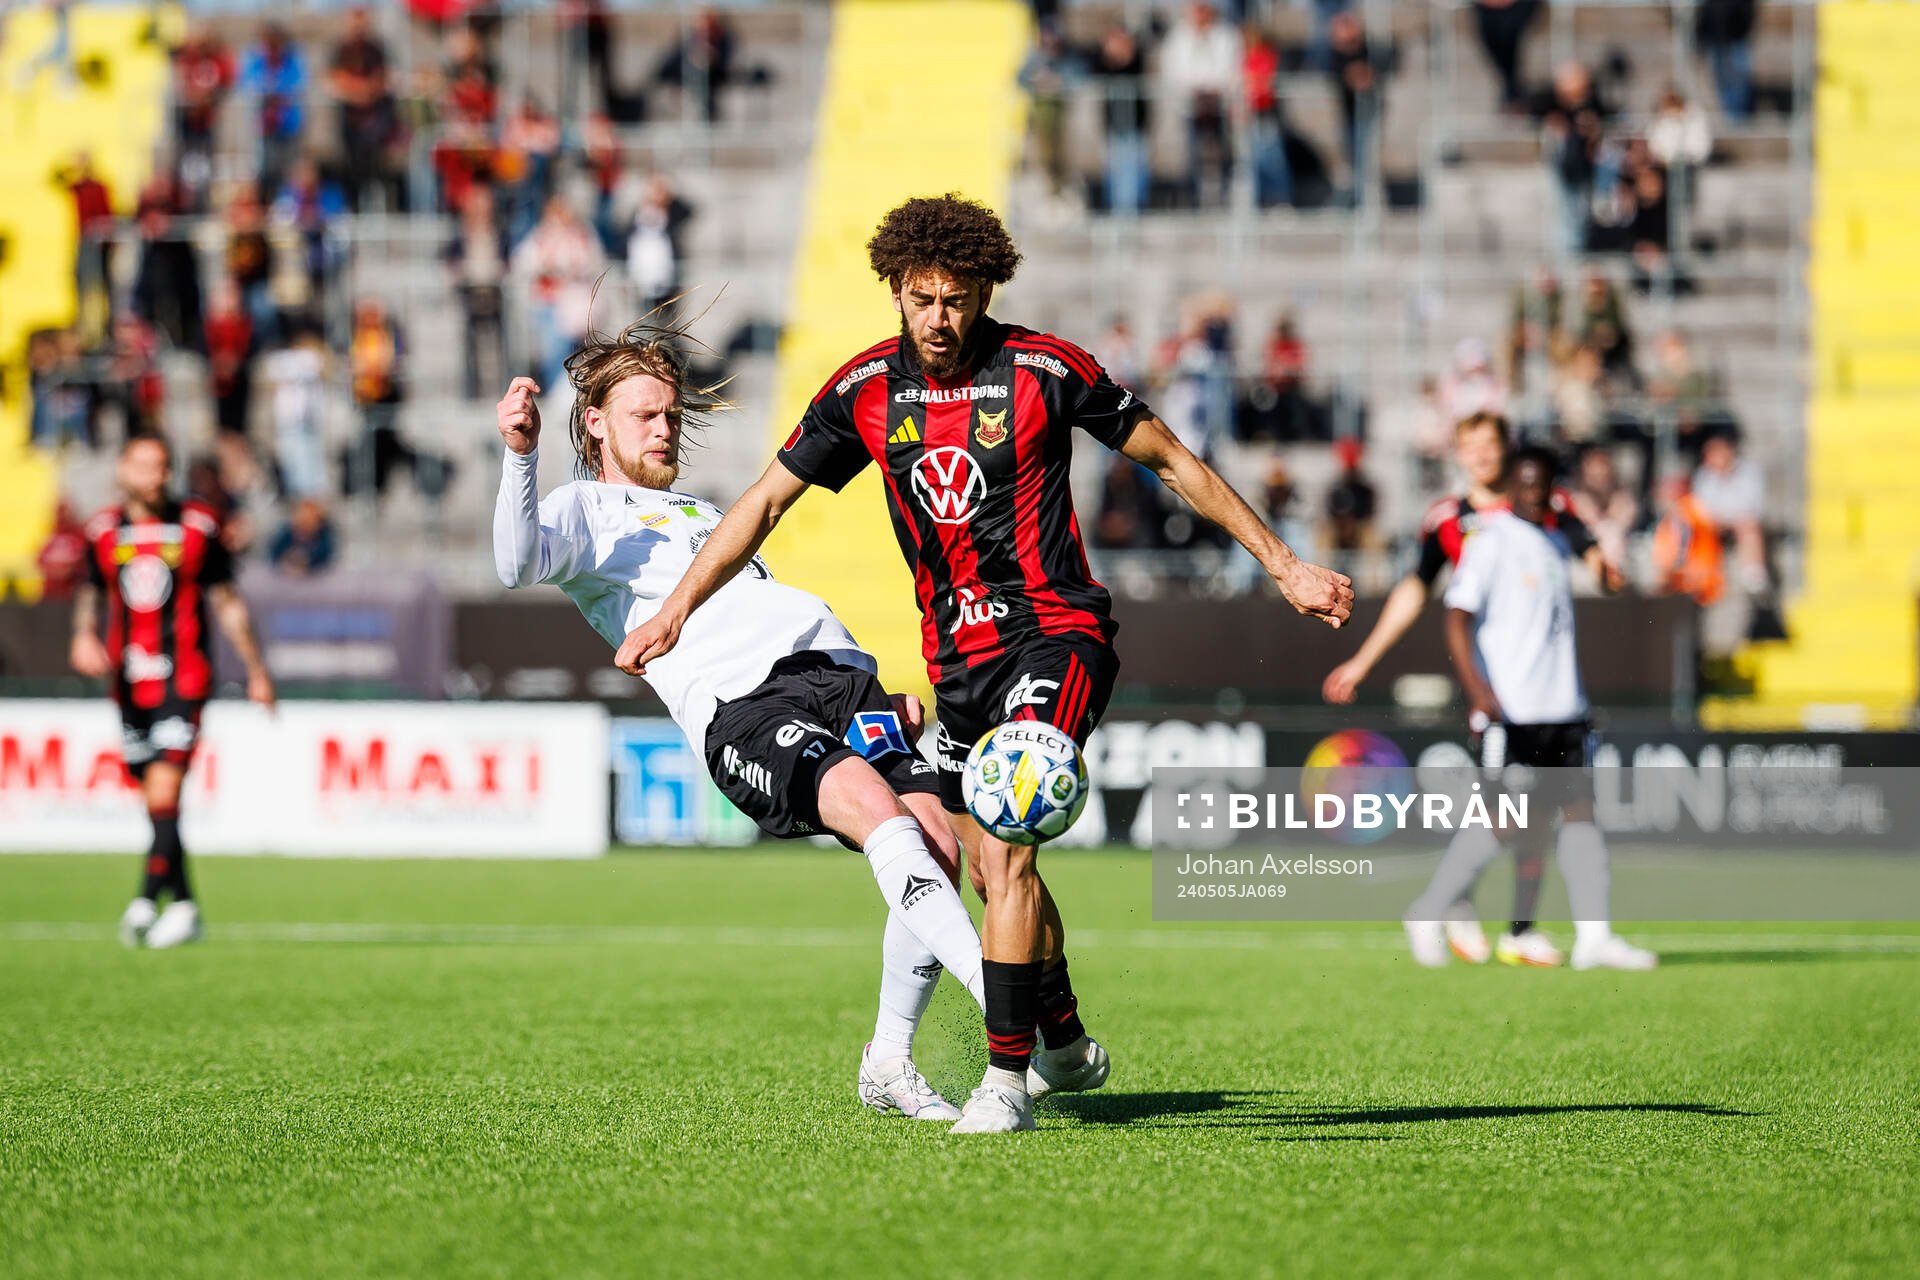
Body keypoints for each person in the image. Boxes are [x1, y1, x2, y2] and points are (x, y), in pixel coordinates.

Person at [614, 194, 1353, 1133]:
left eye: (957, 299)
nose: (939, 318)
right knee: (986, 866)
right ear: (896, 289)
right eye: (922, 298)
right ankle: (1065, 1042)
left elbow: (1170, 459)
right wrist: (676, 608)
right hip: (957, 665)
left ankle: (1004, 1084)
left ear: (986, 293)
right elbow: (763, 505)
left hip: (1056, 635)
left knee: (1006, 842)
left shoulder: (1046, 369)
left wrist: (1284, 564)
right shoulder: (863, 390)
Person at [491, 325, 988, 1123]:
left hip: (837, 676)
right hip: (745, 706)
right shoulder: (584, 509)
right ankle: (1008, 1005)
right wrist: (520, 456)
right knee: (881, 816)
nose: (663, 429)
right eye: (645, 415)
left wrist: (864, 681)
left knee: (939, 844)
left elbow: (762, 606)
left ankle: (889, 1061)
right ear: (596, 422)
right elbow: (516, 564)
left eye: (670, 414)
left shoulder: (704, 510)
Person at [1323, 412, 1619, 967]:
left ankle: (1518, 928)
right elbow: (1419, 590)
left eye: (1490, 444)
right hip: (1499, 691)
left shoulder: (1546, 508)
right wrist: (1364, 660)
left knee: (1537, 817)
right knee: (1504, 816)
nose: (1481, 455)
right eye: (1470, 446)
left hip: (1552, 690)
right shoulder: (1452, 522)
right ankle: (1447, 904)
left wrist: (1608, 569)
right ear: (1457, 454)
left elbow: (1592, 552)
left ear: (1507, 450)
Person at [1404, 447, 1657, 972]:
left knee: (1578, 814)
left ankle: (1594, 938)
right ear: (1511, 487)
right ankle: (1428, 911)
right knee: (1504, 822)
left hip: (1565, 709)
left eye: (1542, 484)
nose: (1534, 493)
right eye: (1525, 483)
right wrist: (1478, 690)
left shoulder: (1555, 539)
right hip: (1513, 711)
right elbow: (1456, 616)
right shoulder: (1491, 541)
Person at [71, 436, 276, 950]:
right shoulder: (102, 531)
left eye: (163, 466)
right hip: (127, 682)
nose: (155, 476)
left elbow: (227, 601)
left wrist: (256, 670)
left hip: (183, 679)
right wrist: (83, 636)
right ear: (122, 470)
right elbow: (91, 592)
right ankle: (184, 906)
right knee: (153, 797)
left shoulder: (197, 526)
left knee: (165, 788)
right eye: (144, 465)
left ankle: (145, 900)